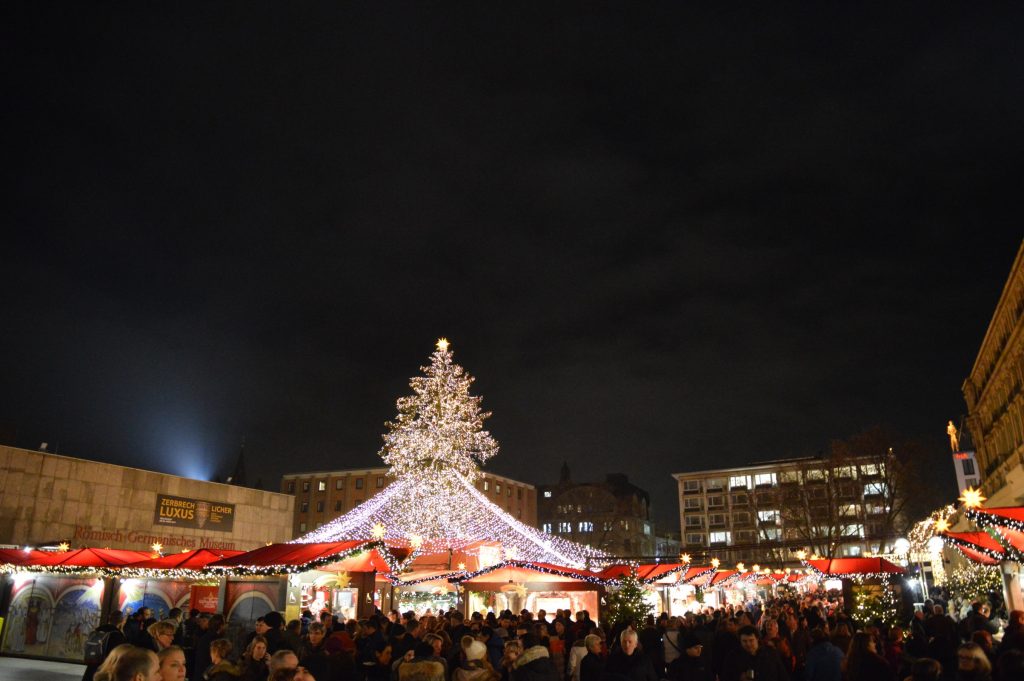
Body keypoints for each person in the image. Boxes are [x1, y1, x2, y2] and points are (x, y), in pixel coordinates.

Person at [722, 626, 790, 681]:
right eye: (744, 641)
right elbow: (726, 677)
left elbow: (782, 674)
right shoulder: (733, 657)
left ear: (757, 639)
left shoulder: (770, 653)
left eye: (751, 640)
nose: (748, 644)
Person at [84, 610, 129, 681]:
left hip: (93, 662)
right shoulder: (117, 634)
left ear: (109, 619)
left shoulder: (98, 629)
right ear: (121, 620)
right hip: (106, 665)